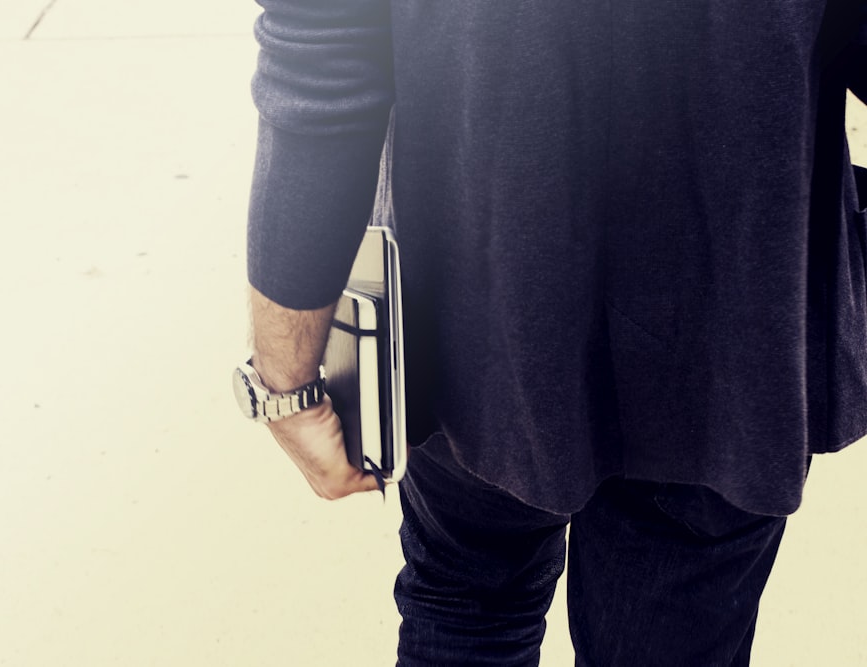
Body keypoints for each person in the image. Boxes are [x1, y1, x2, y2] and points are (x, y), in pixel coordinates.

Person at [235, 1, 867, 664]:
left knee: (468, 601)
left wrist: (285, 380)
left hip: (478, 303)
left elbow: (322, 51)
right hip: (732, 319)